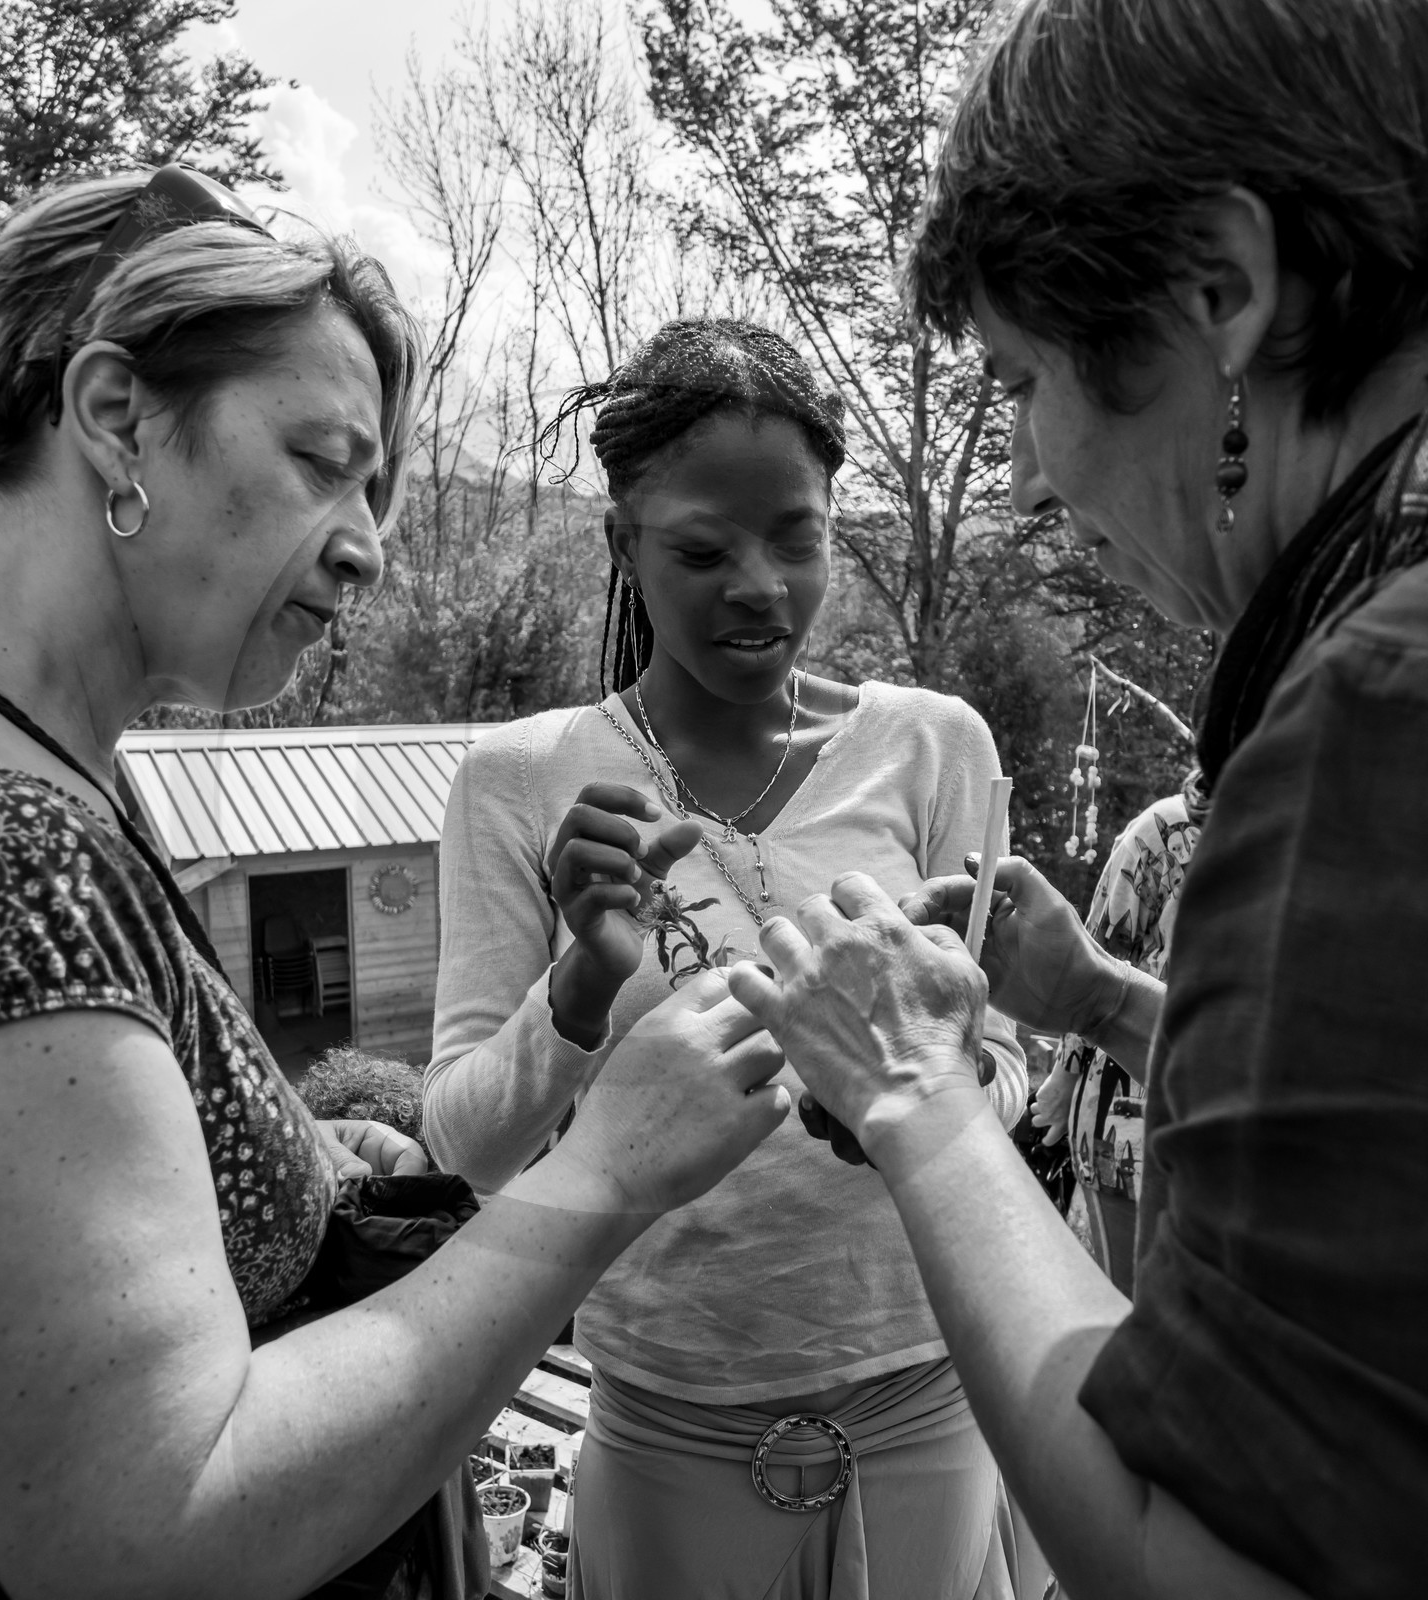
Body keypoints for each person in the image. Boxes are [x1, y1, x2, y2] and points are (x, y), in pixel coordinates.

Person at [0, 168, 792, 1600]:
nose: (370, 538)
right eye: (320, 459)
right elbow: (155, 1531)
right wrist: (605, 1172)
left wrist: (303, 1156)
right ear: (113, 417)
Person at [724, 2, 1428, 1596]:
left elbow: (1208, 1560)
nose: (1031, 478)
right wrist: (1103, 999)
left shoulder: (1374, 711)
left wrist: (911, 1089)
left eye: (1027, 374)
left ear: (1222, 293)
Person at [423, 318, 1029, 1600]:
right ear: (623, 546)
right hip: (666, 1414)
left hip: (928, 1395)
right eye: (701, 551)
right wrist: (580, 984)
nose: (759, 586)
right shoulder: (521, 780)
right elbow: (463, 1148)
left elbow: (1011, 1067)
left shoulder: (934, 749)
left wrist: (918, 1099)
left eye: (797, 537)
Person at [1029, 787, 1202, 1291]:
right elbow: (1098, 955)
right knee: (1131, 1304)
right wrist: (1064, 1076)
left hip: (1231, 1125)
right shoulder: (1163, 831)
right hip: (1127, 1124)